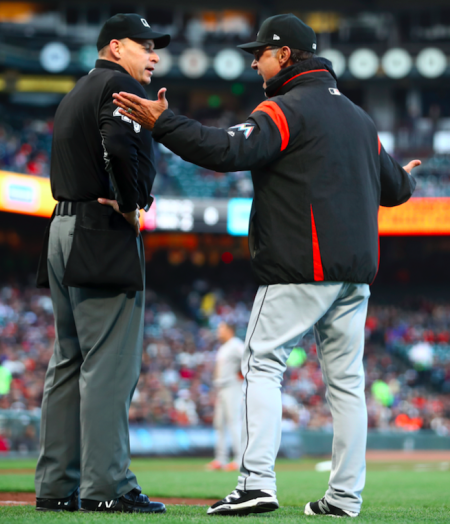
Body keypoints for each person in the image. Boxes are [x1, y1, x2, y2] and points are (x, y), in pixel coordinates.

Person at [112, 13, 419, 518]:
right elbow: (393, 188)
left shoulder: (286, 108)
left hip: (302, 266)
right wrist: (407, 180)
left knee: (259, 365)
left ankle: (256, 482)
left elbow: (227, 150)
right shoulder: (361, 119)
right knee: (347, 385)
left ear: (286, 55)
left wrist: (163, 123)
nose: (255, 61)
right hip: (356, 274)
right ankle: (344, 497)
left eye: (261, 53)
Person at [32, 14, 167, 514]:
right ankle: (108, 486)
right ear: (115, 46)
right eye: (145, 45)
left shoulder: (78, 89)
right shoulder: (118, 86)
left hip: (62, 229)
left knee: (68, 362)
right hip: (100, 230)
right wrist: (131, 202)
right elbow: (116, 143)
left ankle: (56, 485)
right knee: (108, 366)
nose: (153, 55)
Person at [207, 322, 244, 472]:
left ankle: (240, 459)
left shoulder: (236, 344)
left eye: (220, 328)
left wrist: (241, 374)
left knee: (234, 422)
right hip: (222, 388)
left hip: (233, 386)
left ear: (229, 330)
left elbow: (248, 358)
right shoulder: (224, 347)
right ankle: (220, 459)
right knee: (219, 424)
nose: (218, 331)